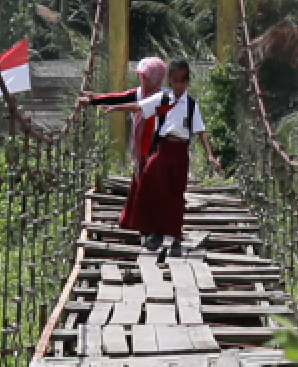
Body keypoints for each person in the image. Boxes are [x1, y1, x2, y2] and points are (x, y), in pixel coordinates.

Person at [103, 59, 222, 257]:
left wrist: (210, 155)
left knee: (176, 196)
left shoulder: (191, 105)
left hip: (180, 153)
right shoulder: (162, 98)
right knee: (150, 182)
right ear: (170, 80)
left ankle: (175, 238)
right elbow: (139, 107)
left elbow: (201, 132)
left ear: (188, 81)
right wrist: (114, 108)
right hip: (163, 149)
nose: (178, 85)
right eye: (175, 81)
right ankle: (155, 232)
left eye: (182, 81)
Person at [78, 56, 169, 236]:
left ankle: (151, 225)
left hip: (157, 146)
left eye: (146, 76)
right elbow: (119, 97)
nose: (141, 79)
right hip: (142, 146)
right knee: (140, 182)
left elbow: (137, 107)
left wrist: (107, 105)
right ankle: (137, 223)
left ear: (156, 79)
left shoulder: (163, 96)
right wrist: (95, 99)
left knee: (151, 185)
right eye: (141, 76)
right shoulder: (140, 92)